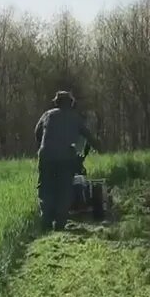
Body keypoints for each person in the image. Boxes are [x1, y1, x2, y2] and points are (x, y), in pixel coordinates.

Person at [34, 91, 100, 231]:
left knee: (46, 188)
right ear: (71, 103)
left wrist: (45, 146)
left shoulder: (47, 115)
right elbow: (88, 136)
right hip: (66, 158)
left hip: (46, 157)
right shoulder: (76, 118)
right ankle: (60, 223)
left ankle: (46, 220)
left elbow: (37, 133)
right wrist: (98, 147)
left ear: (56, 102)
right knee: (65, 189)